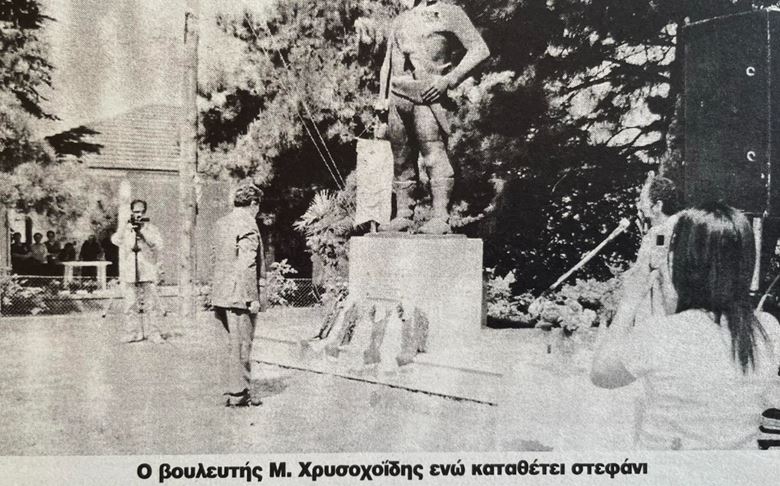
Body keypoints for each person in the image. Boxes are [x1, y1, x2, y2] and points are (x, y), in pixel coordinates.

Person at [592, 201, 780, 450]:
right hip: (738, 468)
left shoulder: (660, 334)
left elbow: (601, 374)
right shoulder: (767, 329)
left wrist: (630, 300)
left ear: (683, 264)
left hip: (671, 469)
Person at [375, 0, 490, 234]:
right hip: (398, 97)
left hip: (428, 94)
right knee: (401, 160)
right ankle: (403, 214)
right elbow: (388, 62)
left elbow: (480, 49)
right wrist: (382, 98)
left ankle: (440, 217)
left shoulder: (450, 13)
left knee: (433, 155)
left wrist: (449, 80)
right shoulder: (401, 19)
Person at [212, 183, 266, 407]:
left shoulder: (221, 223)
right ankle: (240, 393)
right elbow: (247, 263)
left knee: (228, 345)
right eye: (258, 206)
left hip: (221, 292)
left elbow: (215, 257)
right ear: (253, 203)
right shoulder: (248, 224)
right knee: (243, 344)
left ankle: (228, 391)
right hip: (240, 294)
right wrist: (252, 297)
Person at [624, 172, 683, 325]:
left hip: (661, 307)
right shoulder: (681, 226)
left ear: (658, 206)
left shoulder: (660, 233)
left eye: (642, 201)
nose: (639, 206)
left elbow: (656, 262)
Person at [111, 199, 164, 344]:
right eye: (136, 212)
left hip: (147, 269)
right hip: (130, 270)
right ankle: (133, 333)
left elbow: (158, 245)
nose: (139, 215)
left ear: (145, 212)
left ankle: (154, 333)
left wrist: (143, 233)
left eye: (141, 212)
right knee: (130, 303)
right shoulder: (127, 228)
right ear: (132, 212)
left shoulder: (151, 228)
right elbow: (115, 240)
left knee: (151, 304)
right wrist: (124, 227)